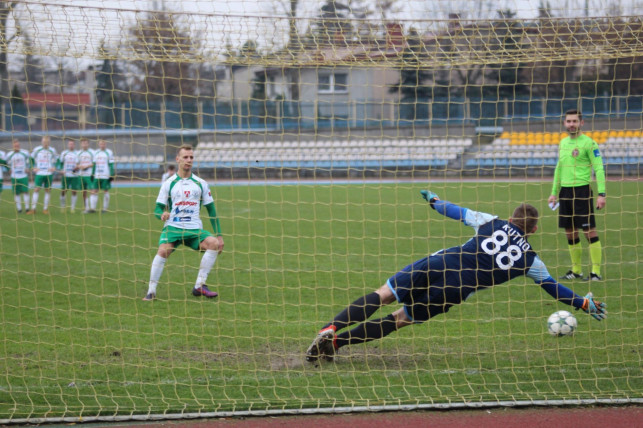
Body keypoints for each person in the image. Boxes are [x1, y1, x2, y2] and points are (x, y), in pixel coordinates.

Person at [306, 190, 607, 363]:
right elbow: (554, 288)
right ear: (534, 229)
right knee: (400, 319)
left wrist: (433, 200)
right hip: (456, 289)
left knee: (383, 295)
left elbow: (455, 211)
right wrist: (583, 303)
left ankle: (330, 328)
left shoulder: (492, 221)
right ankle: (335, 346)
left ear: (512, 218)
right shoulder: (532, 261)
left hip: (438, 264)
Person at [143, 144, 224, 301]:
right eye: (185, 157)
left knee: (214, 243)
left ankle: (200, 286)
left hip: (194, 230)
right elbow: (157, 209)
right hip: (173, 228)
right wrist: (161, 215)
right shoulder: (169, 183)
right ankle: (151, 291)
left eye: (191, 157)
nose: (189, 160)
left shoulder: (201, 183)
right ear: (177, 159)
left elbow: (212, 210)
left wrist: (219, 235)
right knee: (162, 251)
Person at [548, 109, 606, 281]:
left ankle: (595, 272)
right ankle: (576, 270)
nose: (571, 124)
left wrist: (601, 194)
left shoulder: (589, 143)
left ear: (582, 123)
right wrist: (553, 193)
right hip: (565, 192)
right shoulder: (563, 143)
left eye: (574, 121)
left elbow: (599, 168)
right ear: (565, 123)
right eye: (568, 121)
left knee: (588, 231)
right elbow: (559, 168)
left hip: (582, 191)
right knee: (570, 231)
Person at [28, 136, 58, 215]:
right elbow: (30, 159)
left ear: (49, 142)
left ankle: (45, 209)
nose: (45, 144)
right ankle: (33, 209)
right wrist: (33, 167)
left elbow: (58, 160)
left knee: (47, 191)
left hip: (49, 174)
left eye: (47, 142)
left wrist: (54, 167)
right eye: (44, 142)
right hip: (39, 173)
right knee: (36, 189)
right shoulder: (37, 149)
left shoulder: (52, 150)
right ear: (42, 142)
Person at [4, 139, 32, 213]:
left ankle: (27, 209)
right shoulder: (9, 154)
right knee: (17, 193)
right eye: (15, 145)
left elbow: (31, 160)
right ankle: (19, 209)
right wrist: (8, 169)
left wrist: (29, 168)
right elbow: (4, 162)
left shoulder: (24, 153)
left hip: (23, 176)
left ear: (19, 145)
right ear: (13, 146)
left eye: (17, 145)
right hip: (14, 177)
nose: (16, 146)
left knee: (26, 192)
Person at [90, 139, 114, 213]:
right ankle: (93, 209)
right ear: (99, 144)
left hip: (105, 175)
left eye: (103, 144)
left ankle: (104, 209)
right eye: (101, 144)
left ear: (105, 144)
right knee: (94, 191)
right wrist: (92, 173)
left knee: (105, 191)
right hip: (97, 175)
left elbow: (111, 164)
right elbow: (94, 164)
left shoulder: (109, 152)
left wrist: (111, 175)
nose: (102, 145)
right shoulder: (96, 152)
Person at [57, 139, 81, 212]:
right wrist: (61, 169)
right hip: (66, 175)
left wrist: (77, 167)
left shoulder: (77, 153)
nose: (71, 145)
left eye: (72, 144)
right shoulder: (64, 153)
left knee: (74, 191)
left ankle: (72, 208)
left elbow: (79, 164)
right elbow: (60, 163)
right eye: (70, 144)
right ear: (68, 145)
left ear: (74, 145)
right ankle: (63, 206)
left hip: (74, 175)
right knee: (63, 191)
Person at [76, 138, 95, 213]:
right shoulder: (78, 153)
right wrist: (80, 166)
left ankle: (92, 208)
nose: (84, 144)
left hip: (89, 174)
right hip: (81, 175)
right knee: (84, 192)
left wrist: (87, 166)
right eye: (83, 143)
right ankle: (86, 208)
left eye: (86, 143)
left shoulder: (92, 152)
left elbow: (94, 163)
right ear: (81, 144)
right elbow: (77, 164)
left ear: (88, 144)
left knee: (92, 190)